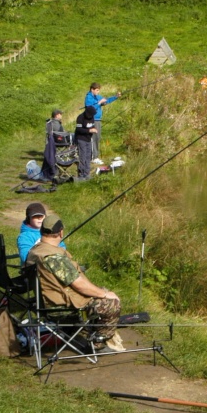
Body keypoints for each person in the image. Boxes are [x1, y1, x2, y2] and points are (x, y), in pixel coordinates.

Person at [25, 214, 124, 352]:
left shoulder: (36, 250)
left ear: (42, 232)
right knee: (111, 303)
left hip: (43, 301)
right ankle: (97, 343)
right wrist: (105, 294)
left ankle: (84, 330)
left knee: (102, 293)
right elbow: (79, 285)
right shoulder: (53, 257)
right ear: (60, 232)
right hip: (57, 307)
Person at [84, 82, 120, 163]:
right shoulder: (88, 97)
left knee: (97, 137)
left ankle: (95, 156)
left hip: (98, 120)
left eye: (99, 90)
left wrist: (115, 97)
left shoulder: (98, 96)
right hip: (91, 120)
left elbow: (106, 101)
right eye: (97, 90)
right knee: (93, 138)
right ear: (92, 89)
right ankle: (93, 157)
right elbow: (90, 108)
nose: (98, 92)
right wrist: (99, 103)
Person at [74, 105, 97, 181]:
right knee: (82, 157)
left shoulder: (92, 118)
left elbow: (92, 126)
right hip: (81, 139)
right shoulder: (80, 117)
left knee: (88, 157)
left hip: (88, 139)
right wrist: (89, 131)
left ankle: (87, 173)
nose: (91, 116)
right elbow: (78, 129)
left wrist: (94, 130)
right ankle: (81, 174)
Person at [41, 109, 63, 181]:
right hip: (56, 143)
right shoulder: (56, 124)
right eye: (60, 114)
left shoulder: (50, 123)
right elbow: (61, 134)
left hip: (49, 143)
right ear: (57, 115)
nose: (61, 115)